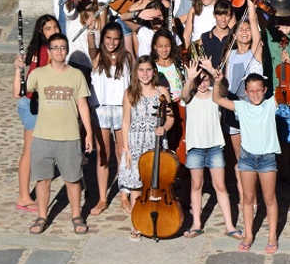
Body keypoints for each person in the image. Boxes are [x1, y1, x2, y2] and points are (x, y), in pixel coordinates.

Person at [19, 33, 93, 235]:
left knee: (73, 179)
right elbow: (20, 92)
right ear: (49, 52)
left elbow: (83, 105)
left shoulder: (76, 75)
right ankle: (42, 216)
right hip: (43, 136)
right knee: (43, 179)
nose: (60, 51)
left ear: (66, 50)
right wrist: (19, 70)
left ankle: (77, 215)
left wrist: (88, 133)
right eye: (55, 48)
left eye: (63, 47)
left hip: (69, 137)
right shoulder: (39, 74)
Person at [212, 71, 281, 253]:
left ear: (265, 90)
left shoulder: (270, 104)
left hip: (267, 158)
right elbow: (217, 99)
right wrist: (217, 81)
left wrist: (285, 65)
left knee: (269, 199)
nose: (255, 94)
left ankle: (272, 236)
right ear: (245, 91)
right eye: (251, 91)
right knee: (248, 199)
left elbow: (289, 91)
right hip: (247, 159)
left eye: (259, 90)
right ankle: (249, 234)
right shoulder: (241, 106)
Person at [181, 60, 242, 240]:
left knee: (220, 186)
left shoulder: (215, 96)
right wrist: (190, 79)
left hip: (215, 146)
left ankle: (229, 225)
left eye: (205, 80)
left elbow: (223, 89)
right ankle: (197, 223)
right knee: (196, 185)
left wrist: (213, 72)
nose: (202, 84)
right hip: (195, 148)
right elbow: (184, 95)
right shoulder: (190, 97)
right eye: (198, 81)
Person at [120, 60, 174, 239]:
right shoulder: (130, 93)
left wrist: (164, 128)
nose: (145, 74)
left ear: (154, 71)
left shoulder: (162, 92)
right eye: (141, 70)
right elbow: (126, 121)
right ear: (136, 72)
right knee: (137, 186)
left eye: (148, 70)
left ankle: (157, 218)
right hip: (136, 143)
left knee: (155, 183)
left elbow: (170, 118)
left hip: (155, 142)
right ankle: (137, 223)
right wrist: (126, 148)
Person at [12, 15, 59, 215]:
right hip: (34, 105)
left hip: (35, 104)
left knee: (35, 151)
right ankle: (24, 196)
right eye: (48, 28)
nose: (53, 30)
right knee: (30, 151)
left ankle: (29, 193)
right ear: (41, 32)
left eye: (55, 26)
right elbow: (20, 90)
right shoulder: (43, 52)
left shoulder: (42, 50)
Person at [86, 22, 132, 215]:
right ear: (102, 38)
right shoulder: (97, 57)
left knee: (123, 153)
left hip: (122, 108)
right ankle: (103, 198)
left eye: (115, 39)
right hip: (102, 109)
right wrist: (90, 32)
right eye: (108, 38)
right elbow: (91, 47)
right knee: (103, 154)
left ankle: (124, 195)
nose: (112, 43)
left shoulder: (127, 58)